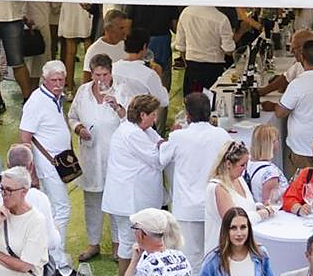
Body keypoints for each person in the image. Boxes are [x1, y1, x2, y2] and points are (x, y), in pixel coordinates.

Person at [70, 55, 127, 261]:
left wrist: (118, 107)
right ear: (91, 74)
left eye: (105, 74)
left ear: (111, 72)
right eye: (97, 75)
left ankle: (117, 245)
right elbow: (72, 116)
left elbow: (131, 121)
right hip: (90, 153)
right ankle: (93, 243)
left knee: (115, 201)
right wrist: (79, 129)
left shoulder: (121, 90)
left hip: (115, 155)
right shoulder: (83, 92)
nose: (101, 79)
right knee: (92, 201)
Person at [16, 60, 75, 254]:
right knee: (62, 209)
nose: (58, 84)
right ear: (44, 80)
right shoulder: (37, 101)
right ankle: (58, 256)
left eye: (61, 79)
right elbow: (25, 137)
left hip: (58, 162)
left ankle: (48, 254)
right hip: (48, 165)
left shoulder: (55, 98)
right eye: (54, 80)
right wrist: (30, 171)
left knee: (50, 209)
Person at [103, 94, 171, 263]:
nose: (155, 119)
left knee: (138, 244)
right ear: (143, 115)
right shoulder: (132, 133)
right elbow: (157, 159)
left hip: (134, 199)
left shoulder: (144, 130)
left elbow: (160, 142)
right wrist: (164, 146)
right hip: (128, 201)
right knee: (128, 244)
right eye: (153, 115)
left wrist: (161, 145)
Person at [167, 93, 234, 265]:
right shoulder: (222, 135)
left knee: (190, 259)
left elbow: (161, 159)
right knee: (215, 256)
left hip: (188, 206)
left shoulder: (178, 137)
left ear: (188, 114)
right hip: (214, 203)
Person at [272, 39, 313, 175]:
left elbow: (280, 112)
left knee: (303, 187)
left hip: (302, 147)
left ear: (302, 58)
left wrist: (272, 105)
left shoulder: (298, 84)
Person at [206, 140, 271, 234]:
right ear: (228, 164)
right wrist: (264, 213)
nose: (245, 168)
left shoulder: (239, 179)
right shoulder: (218, 188)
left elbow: (243, 207)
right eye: (242, 165)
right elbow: (234, 221)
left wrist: (259, 206)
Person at [176, 3, 236, 94]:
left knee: (192, 103)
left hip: (192, 66)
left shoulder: (186, 13)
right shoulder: (221, 19)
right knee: (211, 103)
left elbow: (181, 46)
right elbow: (229, 51)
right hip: (213, 69)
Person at [111, 31, 169, 118]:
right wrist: (158, 77)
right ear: (145, 47)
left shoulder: (113, 67)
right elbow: (162, 101)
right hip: (140, 119)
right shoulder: (149, 74)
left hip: (115, 116)